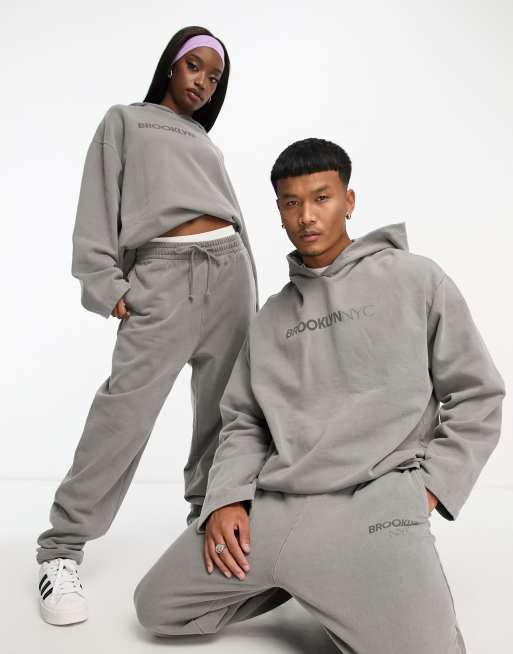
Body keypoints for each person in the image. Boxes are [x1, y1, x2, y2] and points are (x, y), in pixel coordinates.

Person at [132, 138, 505, 653]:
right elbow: (244, 421)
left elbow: (477, 394)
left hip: (375, 502)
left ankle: (336, 580)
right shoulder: (270, 318)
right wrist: (227, 498)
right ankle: (304, 574)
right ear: (280, 212)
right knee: (156, 606)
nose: (306, 216)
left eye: (321, 198)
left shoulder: (416, 279)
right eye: (292, 203)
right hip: (277, 508)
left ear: (348, 201)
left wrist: (430, 487)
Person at [36, 26, 259, 626]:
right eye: (195, 66)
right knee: (124, 413)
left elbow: (233, 215)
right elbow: (96, 202)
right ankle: (61, 550)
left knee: (227, 415)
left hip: (230, 272)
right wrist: (105, 282)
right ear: (170, 66)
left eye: (215, 77)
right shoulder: (126, 121)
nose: (203, 82)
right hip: (161, 276)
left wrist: (251, 288)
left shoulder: (204, 141)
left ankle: (208, 532)